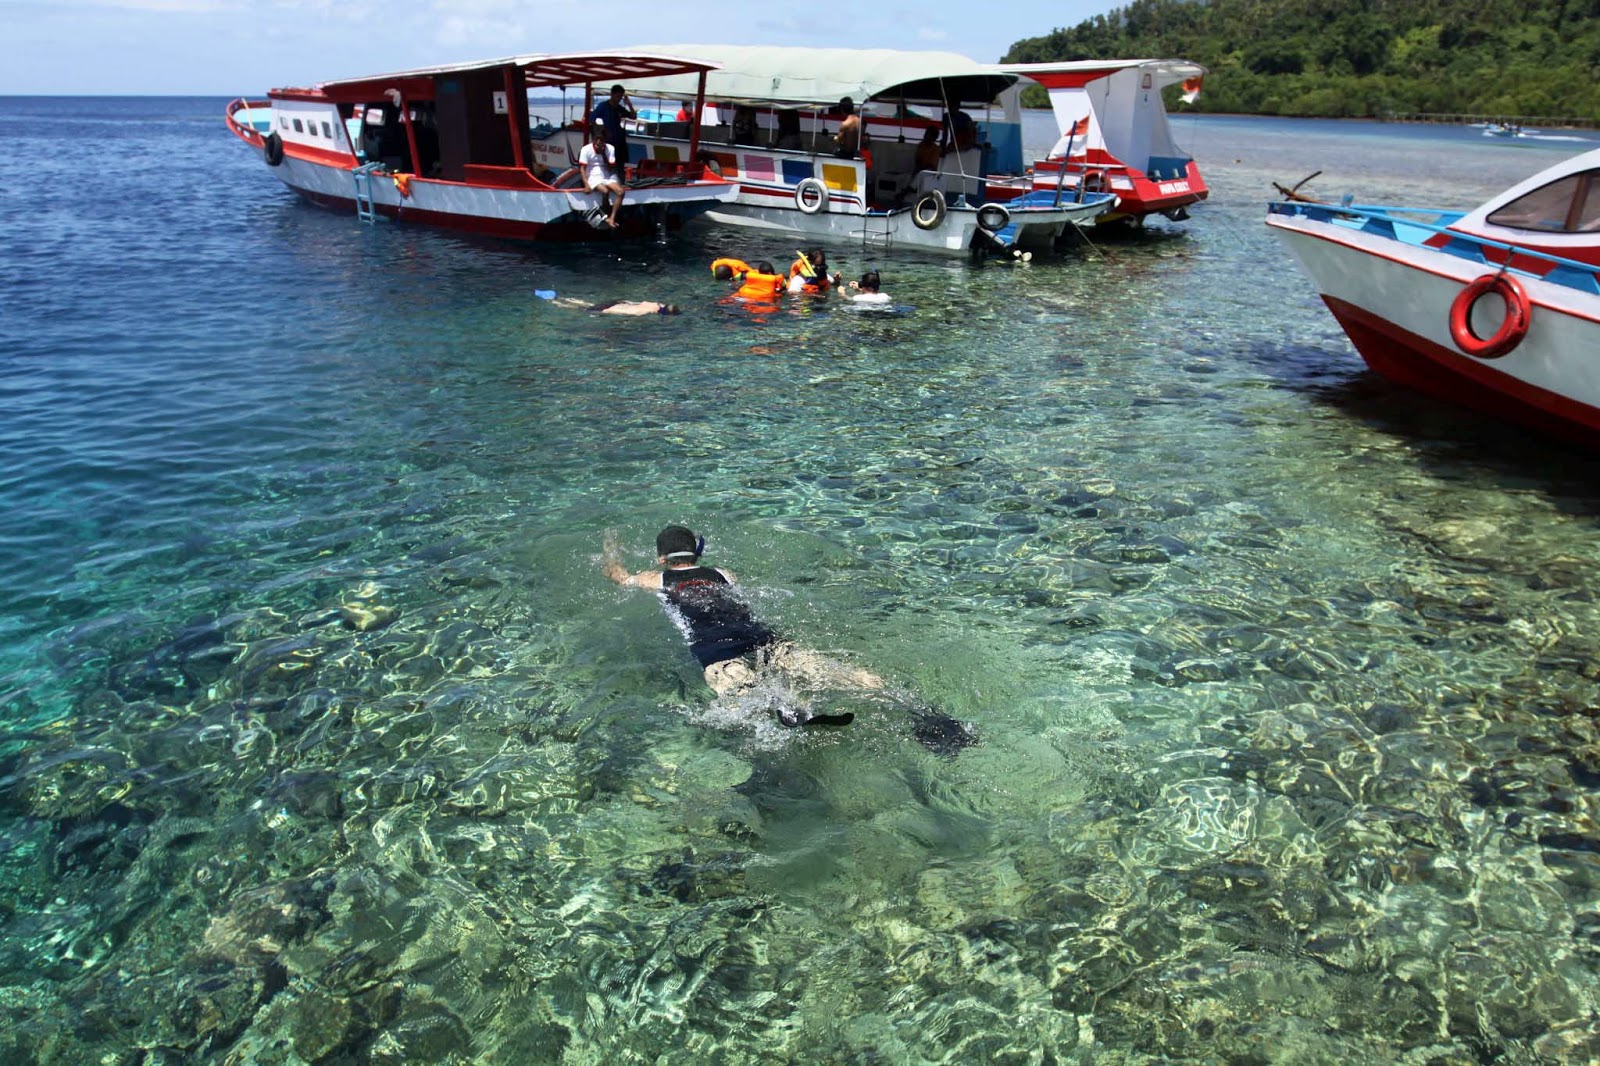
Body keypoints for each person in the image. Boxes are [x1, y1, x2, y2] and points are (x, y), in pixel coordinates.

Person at [602, 526, 978, 750]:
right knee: (850, 675)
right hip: (768, 640)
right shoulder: (723, 573)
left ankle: (791, 710)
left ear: (661, 558)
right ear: (698, 552)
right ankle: (926, 716)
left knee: (742, 700)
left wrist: (610, 548)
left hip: (719, 655)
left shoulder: (658, 580)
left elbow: (617, 575)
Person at [578, 127, 625, 228]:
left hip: (607, 175)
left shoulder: (610, 148)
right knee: (605, 191)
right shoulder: (586, 149)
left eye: (601, 139)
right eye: (597, 139)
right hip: (593, 176)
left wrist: (603, 154)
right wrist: (586, 185)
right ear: (594, 139)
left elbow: (610, 168)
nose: (599, 142)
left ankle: (612, 217)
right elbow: (582, 169)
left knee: (621, 192)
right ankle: (606, 216)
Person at [591, 85, 636, 179]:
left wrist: (629, 104)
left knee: (620, 165)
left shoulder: (619, 108)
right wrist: (601, 132)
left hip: (619, 141)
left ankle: (620, 182)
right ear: (612, 94)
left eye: (620, 97)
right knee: (607, 164)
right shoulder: (603, 106)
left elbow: (633, 116)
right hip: (608, 141)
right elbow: (592, 119)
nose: (618, 99)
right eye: (617, 97)